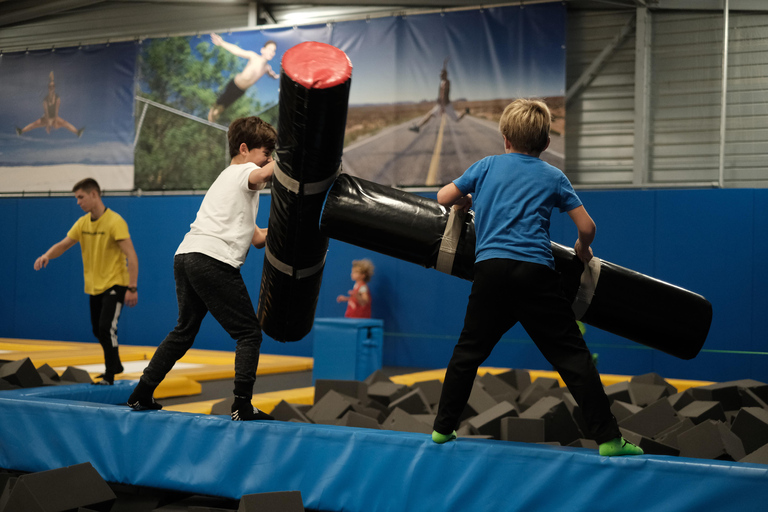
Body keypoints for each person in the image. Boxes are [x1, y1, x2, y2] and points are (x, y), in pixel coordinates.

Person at [430, 99, 643, 457]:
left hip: (491, 271)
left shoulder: (486, 166)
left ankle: (442, 428)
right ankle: (608, 439)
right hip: (535, 274)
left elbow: (443, 196)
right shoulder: (553, 176)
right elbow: (587, 227)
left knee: (467, 352)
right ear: (545, 144)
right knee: (572, 357)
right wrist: (582, 247)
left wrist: (464, 199)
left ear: (505, 138)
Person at [127, 116, 277, 422]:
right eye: (267, 153)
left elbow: (258, 239)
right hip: (212, 259)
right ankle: (242, 404)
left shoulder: (226, 181)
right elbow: (261, 175)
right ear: (245, 149)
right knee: (249, 333)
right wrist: (292, 159)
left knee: (184, 330)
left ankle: (141, 392)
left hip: (186, 256)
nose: (270, 160)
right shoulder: (244, 171)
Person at [34, 178, 138, 384]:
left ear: (94, 195)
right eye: (76, 198)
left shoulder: (114, 222)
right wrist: (47, 255)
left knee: (106, 328)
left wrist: (132, 287)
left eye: (80, 197)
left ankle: (110, 375)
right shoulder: (82, 223)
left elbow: (131, 256)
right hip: (94, 286)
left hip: (115, 283)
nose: (78, 202)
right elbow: (64, 245)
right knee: (97, 330)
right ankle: (115, 364)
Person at [207, 35, 279, 123]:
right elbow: (237, 51)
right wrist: (222, 43)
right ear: (262, 50)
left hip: (241, 91)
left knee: (225, 105)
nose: (271, 52)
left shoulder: (267, 68)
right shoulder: (253, 56)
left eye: (273, 51)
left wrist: (276, 76)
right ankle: (211, 113)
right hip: (235, 84)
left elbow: (271, 74)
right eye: (269, 49)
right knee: (220, 101)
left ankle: (214, 116)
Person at [16, 71, 85, 137]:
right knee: (34, 124)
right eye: (50, 87)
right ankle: (21, 131)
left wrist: (55, 121)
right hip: (46, 117)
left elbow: (56, 111)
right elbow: (46, 112)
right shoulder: (45, 100)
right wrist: (48, 124)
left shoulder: (57, 98)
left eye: (53, 86)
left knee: (65, 123)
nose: (51, 88)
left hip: (55, 117)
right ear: (48, 88)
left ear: (54, 88)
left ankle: (77, 132)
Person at [408, 58, 467, 133]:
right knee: (430, 114)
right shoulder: (443, 82)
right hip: (442, 104)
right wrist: (444, 63)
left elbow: (443, 95)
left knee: (457, 120)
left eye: (441, 74)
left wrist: (442, 107)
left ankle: (465, 112)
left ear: (444, 75)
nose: (440, 75)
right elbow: (444, 72)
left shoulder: (446, 82)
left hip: (446, 105)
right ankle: (418, 126)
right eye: (440, 74)